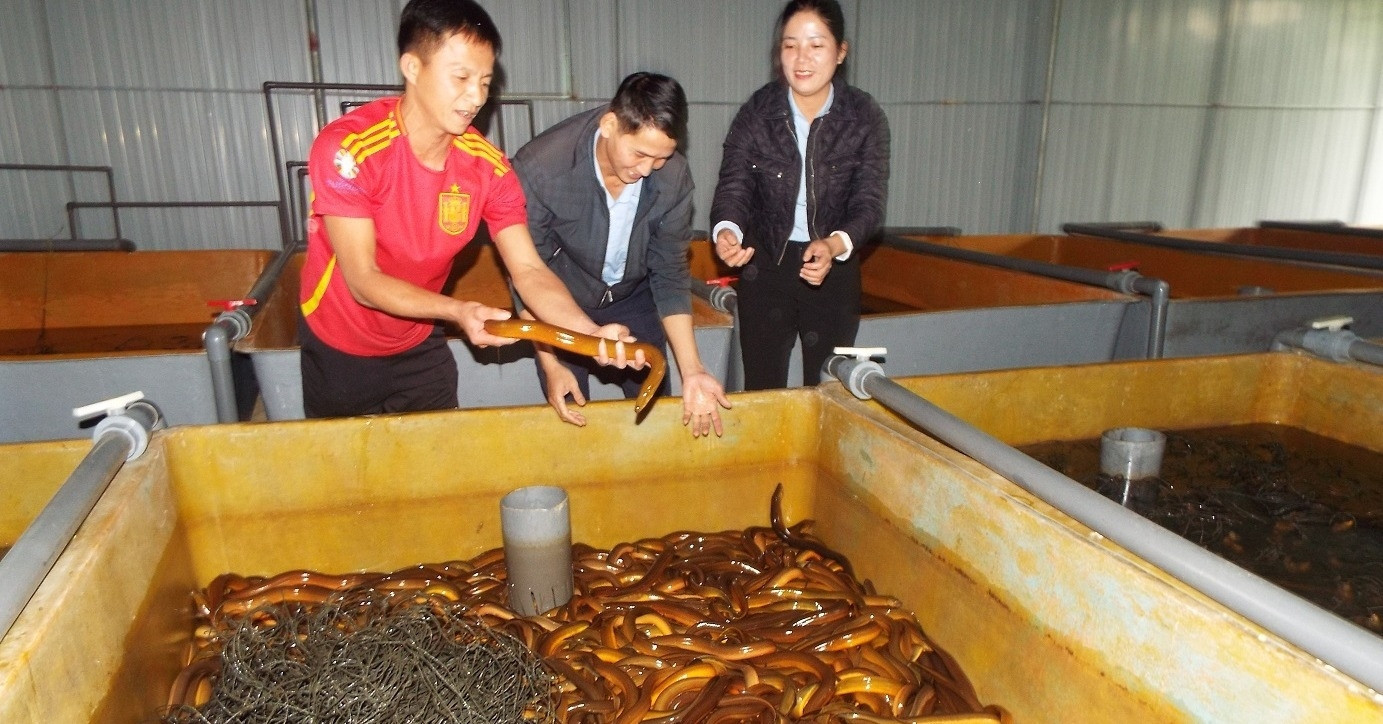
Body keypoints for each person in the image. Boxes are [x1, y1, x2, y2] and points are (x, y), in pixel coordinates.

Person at [298, 0, 640, 418]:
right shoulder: (350, 150)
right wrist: (457, 311)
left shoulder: (488, 167)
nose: (476, 96)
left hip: (417, 338)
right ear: (412, 67)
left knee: (439, 453)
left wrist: (588, 334)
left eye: (485, 81)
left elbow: (529, 270)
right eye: (461, 77)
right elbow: (363, 281)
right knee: (343, 460)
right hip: (339, 342)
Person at [513, 72, 731, 437]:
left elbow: (669, 271)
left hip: (634, 297)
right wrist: (551, 364)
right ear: (610, 125)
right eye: (639, 153)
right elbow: (528, 272)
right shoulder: (542, 168)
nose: (646, 170)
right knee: (570, 420)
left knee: (655, 421)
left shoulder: (673, 175)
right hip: (560, 298)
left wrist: (692, 370)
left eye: (660, 158)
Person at [709, 0, 890, 390]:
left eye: (816, 45)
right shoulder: (757, 112)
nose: (801, 58)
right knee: (762, 388)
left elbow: (869, 203)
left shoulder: (864, 116)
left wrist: (834, 244)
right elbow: (734, 185)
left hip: (833, 270)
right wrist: (727, 231)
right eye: (790, 45)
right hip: (765, 267)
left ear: (840, 52)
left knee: (830, 390)